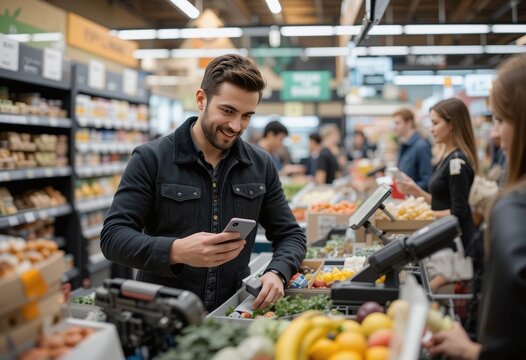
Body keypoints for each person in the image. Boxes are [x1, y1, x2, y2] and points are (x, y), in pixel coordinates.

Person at [100, 54, 306, 312]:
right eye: (227, 111)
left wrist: (278, 272)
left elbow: (291, 235)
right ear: (201, 100)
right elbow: (113, 237)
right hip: (162, 313)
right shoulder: (151, 158)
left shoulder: (260, 165)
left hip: (231, 313)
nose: (235, 125)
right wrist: (176, 250)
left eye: (247, 116)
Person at [424, 53, 526, 360]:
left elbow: (508, 336)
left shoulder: (512, 208)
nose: (494, 134)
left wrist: (471, 350)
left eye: (500, 120)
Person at [396, 98, 478, 291]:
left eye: (435, 123)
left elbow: (458, 213)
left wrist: (424, 216)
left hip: (457, 249)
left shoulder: (457, 162)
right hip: (445, 242)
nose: (431, 129)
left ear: (452, 124)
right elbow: (442, 203)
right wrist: (416, 191)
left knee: (434, 297)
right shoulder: (447, 158)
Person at [392, 108, 433, 191]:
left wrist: (409, 187)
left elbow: (428, 181)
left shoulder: (421, 146)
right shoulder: (404, 145)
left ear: (409, 123)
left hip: (417, 200)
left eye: (397, 123)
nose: (395, 127)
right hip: (407, 198)